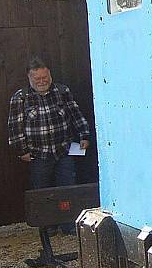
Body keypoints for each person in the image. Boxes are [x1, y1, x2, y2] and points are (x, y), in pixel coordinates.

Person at [8, 56, 91, 189]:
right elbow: (15, 128)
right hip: (38, 156)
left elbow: (76, 115)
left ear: (49, 74)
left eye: (44, 77)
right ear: (29, 78)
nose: (42, 81)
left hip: (64, 152)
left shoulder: (62, 91)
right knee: (42, 194)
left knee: (69, 191)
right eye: (37, 79)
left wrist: (84, 136)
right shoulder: (20, 98)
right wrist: (22, 151)